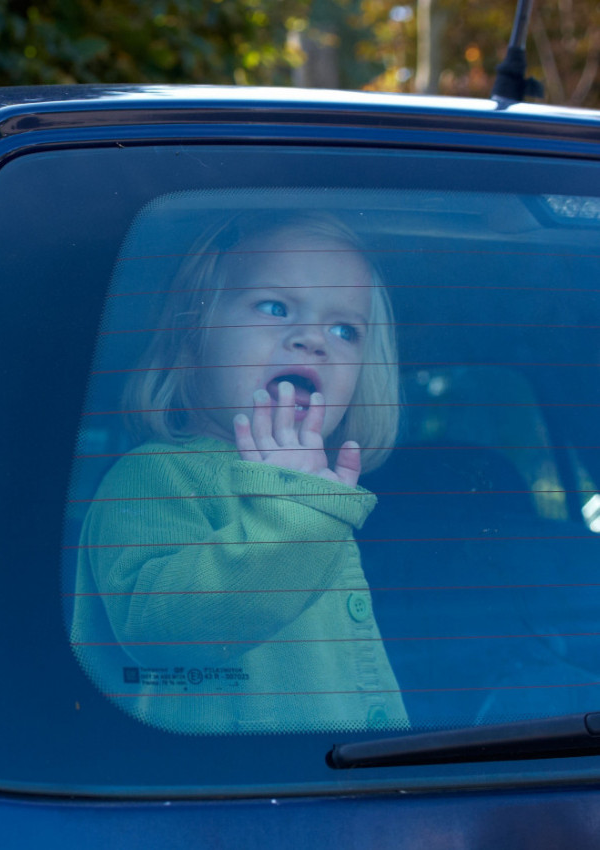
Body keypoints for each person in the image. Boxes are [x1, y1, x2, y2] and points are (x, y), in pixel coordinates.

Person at [72, 211, 408, 734]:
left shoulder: (321, 490)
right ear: (194, 337)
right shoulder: (152, 476)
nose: (312, 340)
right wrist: (292, 513)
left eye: (345, 329)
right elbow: (161, 632)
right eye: (275, 307)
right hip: (226, 798)